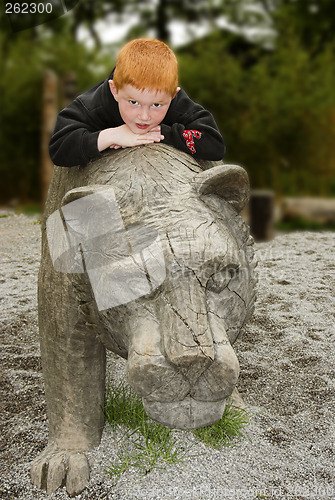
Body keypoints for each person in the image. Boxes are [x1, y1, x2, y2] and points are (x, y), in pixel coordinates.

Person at [49, 38, 225, 167]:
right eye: (133, 102)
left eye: (156, 105)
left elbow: (215, 145)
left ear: (172, 96)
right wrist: (111, 136)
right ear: (115, 90)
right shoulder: (94, 105)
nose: (144, 116)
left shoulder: (176, 103)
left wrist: (164, 133)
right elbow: (58, 148)